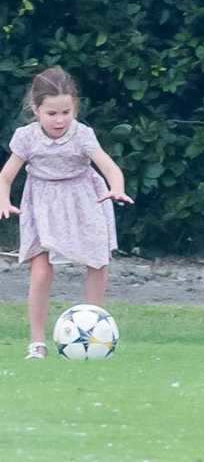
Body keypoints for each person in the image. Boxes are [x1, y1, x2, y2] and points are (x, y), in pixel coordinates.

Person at [0, 67, 134, 359]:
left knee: (97, 262)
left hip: (84, 199)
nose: (60, 120)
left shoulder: (82, 134)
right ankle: (37, 343)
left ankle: (96, 333)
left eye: (66, 112)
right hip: (42, 203)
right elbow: (6, 176)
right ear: (36, 110)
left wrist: (117, 187)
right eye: (52, 113)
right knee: (40, 270)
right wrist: (3, 199)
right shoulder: (27, 137)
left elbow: (109, 167)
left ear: (74, 107)